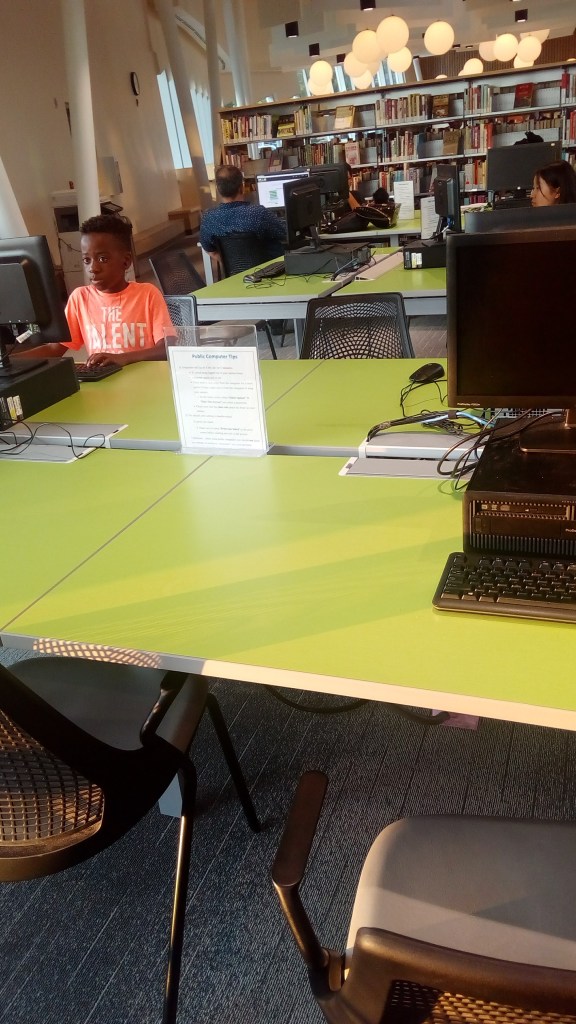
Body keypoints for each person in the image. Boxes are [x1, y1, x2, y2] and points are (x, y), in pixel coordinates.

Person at [21, 213, 174, 366]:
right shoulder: (80, 298)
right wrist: (11, 362)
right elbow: (54, 348)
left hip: (143, 377)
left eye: (103, 259)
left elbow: (167, 348)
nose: (93, 268)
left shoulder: (147, 294)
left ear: (126, 261)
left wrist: (122, 358)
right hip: (104, 378)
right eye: (86, 260)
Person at [199, 165, 286, 258]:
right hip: (272, 266)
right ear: (242, 187)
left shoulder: (209, 218)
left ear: (218, 189)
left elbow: (211, 251)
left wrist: (234, 263)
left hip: (234, 268)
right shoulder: (258, 213)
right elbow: (284, 234)